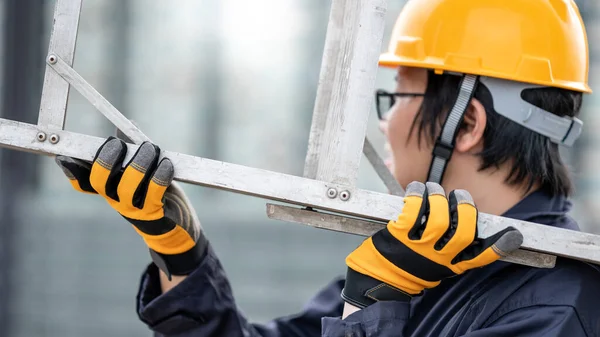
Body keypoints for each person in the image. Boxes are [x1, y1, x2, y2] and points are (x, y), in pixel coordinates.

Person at [55, 0, 600, 336]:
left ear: (466, 124)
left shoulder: (556, 309)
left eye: (396, 99)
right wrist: (180, 254)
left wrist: (372, 305)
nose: (384, 126)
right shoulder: (418, 259)